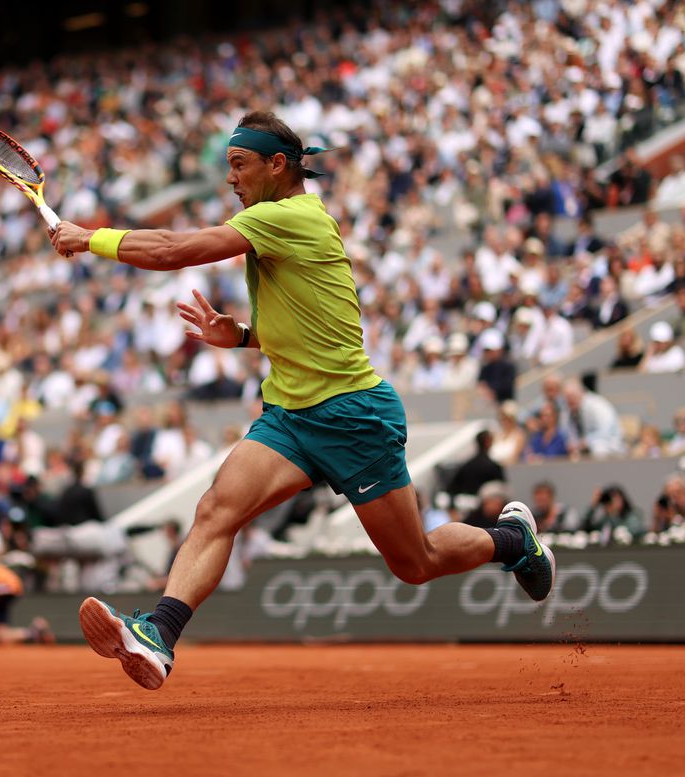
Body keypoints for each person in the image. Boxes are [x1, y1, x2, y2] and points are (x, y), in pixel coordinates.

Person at [50, 111, 555, 691]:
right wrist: (239, 335)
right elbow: (304, 329)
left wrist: (89, 238)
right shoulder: (275, 224)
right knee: (217, 510)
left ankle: (514, 541)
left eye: (240, 165)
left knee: (415, 564)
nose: (231, 179)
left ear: (277, 166)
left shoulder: (288, 216)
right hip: (289, 417)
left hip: (354, 415)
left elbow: (171, 249)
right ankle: (159, 634)